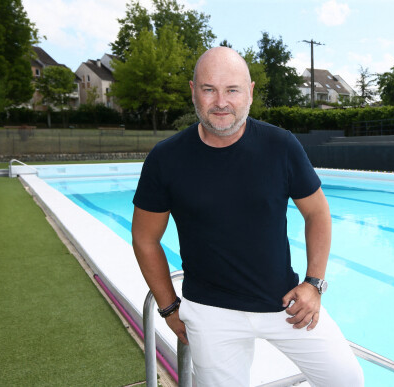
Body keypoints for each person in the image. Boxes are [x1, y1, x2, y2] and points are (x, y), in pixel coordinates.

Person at [131, 46, 363, 387]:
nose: (221, 102)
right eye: (209, 89)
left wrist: (314, 284)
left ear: (250, 92)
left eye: (232, 90)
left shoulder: (280, 145)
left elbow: (317, 213)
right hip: (210, 313)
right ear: (193, 90)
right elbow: (144, 238)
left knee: (347, 380)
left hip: (284, 304)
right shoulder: (166, 159)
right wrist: (168, 307)